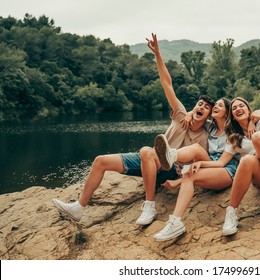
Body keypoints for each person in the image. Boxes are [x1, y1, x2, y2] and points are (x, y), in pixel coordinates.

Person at [51, 33, 214, 225]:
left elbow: (199, 165)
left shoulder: (205, 135)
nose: (201, 107)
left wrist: (178, 182)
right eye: (199, 104)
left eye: (206, 107)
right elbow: (166, 83)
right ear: (194, 107)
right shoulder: (180, 113)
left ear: (209, 116)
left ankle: (149, 206)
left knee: (147, 151)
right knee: (100, 161)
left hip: (170, 171)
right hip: (151, 161)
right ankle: (79, 207)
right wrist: (158, 55)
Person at [151, 98, 260, 241]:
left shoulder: (233, 128)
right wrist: (188, 114)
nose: (215, 107)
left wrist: (251, 121)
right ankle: (175, 222)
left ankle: (172, 155)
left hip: (226, 168)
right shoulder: (210, 127)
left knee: (195, 152)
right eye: (215, 105)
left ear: (227, 112)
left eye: (220, 105)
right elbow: (197, 115)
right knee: (192, 162)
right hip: (211, 162)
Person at [187, 97, 260, 236]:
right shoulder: (234, 137)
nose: (238, 109)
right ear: (232, 116)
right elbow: (221, 163)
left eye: (241, 106)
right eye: (234, 108)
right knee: (246, 160)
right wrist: (200, 163)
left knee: (258, 137)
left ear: (248, 109)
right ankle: (231, 212)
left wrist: (259, 117)